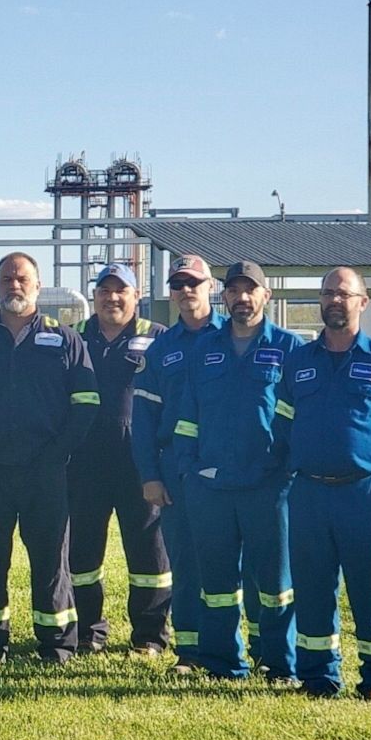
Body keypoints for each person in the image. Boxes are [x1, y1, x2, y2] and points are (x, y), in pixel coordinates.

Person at [0, 252, 97, 664]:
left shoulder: (65, 339)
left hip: (46, 471)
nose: (15, 284)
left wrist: (57, 452)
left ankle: (57, 643)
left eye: (22, 278)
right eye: (7, 278)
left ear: (38, 286)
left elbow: (85, 403)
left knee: (50, 560)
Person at [278, 267, 371, 703]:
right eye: (327, 294)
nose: (334, 301)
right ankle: (319, 678)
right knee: (313, 587)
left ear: (363, 302)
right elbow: (282, 423)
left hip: (367, 495)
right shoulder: (299, 361)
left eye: (344, 294)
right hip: (309, 493)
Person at [172, 260, 302, 683]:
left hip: (270, 486)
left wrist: (287, 470)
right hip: (213, 486)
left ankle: (278, 664)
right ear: (223, 296)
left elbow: (304, 416)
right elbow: (186, 418)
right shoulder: (205, 351)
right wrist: (190, 468)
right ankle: (223, 662)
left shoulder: (290, 349)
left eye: (251, 290)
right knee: (217, 585)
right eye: (234, 290)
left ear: (266, 296)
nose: (242, 298)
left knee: (275, 585)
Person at [131, 254, 230, 674]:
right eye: (177, 284)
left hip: (229, 463)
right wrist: (150, 476)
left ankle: (234, 648)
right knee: (185, 562)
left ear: (212, 287)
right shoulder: (163, 348)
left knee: (234, 563)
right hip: (176, 467)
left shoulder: (237, 336)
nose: (186, 290)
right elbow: (144, 419)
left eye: (194, 282)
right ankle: (189, 651)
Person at [66, 263, 170, 655]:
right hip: (84, 466)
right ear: (93, 296)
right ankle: (87, 631)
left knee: (148, 553)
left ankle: (149, 636)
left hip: (139, 466)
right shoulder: (73, 339)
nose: (112, 297)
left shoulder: (159, 339)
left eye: (120, 290)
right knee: (82, 553)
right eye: (104, 290)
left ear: (136, 296)